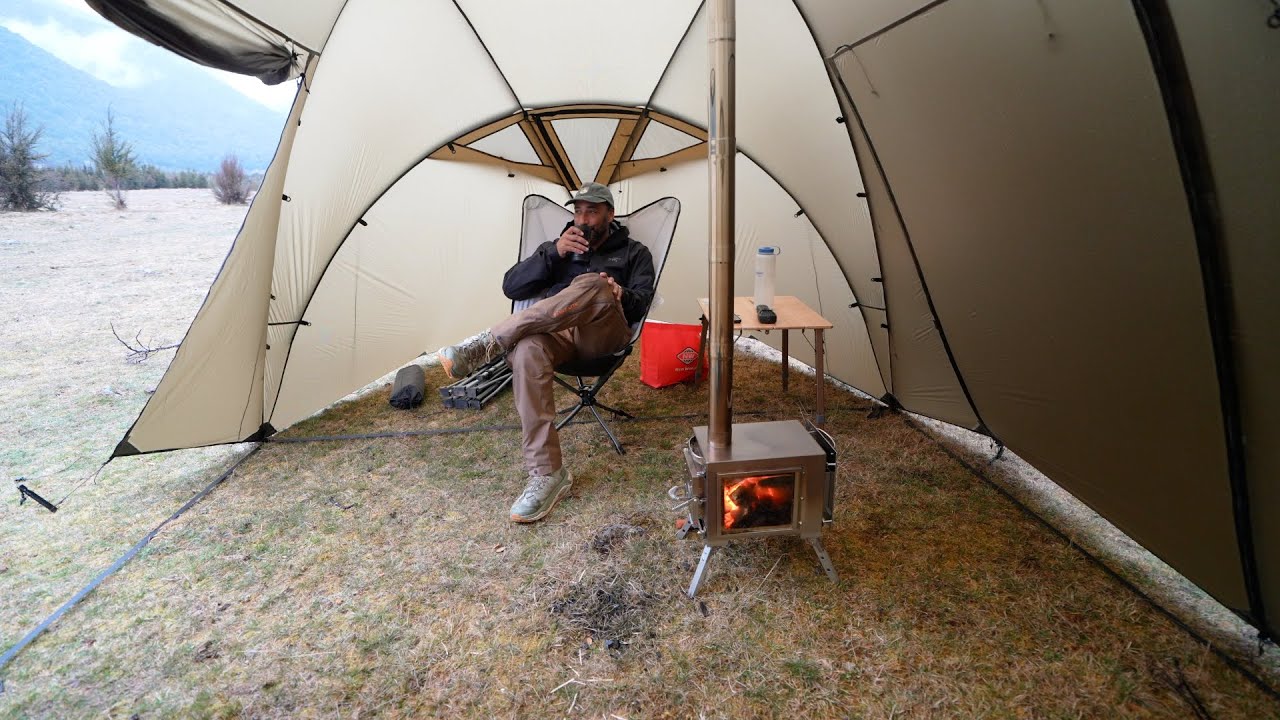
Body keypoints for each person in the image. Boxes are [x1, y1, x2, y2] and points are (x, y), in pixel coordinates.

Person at [436, 183, 655, 523]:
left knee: (594, 284)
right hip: (558, 338)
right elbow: (511, 286)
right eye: (578, 211)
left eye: (592, 211)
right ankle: (548, 473)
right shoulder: (558, 248)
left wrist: (620, 293)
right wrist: (553, 252)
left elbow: (642, 303)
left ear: (610, 214)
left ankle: (490, 342)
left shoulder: (634, 252)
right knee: (527, 347)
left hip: (602, 338)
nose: (583, 219)